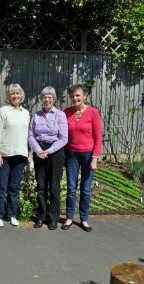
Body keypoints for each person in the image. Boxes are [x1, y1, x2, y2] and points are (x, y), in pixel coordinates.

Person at [62, 84, 102, 232]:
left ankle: (84, 219)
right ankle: (69, 218)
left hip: (88, 155)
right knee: (71, 188)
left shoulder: (93, 112)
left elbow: (98, 137)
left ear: (84, 96)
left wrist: (94, 158)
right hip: (71, 154)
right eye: (72, 96)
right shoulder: (66, 112)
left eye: (78, 95)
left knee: (85, 189)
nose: (75, 98)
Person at [28, 86, 68, 230]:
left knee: (54, 188)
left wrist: (48, 151)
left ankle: (53, 218)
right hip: (39, 152)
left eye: (50, 97)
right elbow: (31, 135)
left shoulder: (60, 115)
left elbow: (64, 138)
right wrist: (39, 150)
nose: (47, 99)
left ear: (54, 99)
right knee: (41, 187)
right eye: (44, 97)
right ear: (41, 99)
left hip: (55, 153)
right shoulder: (36, 115)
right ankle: (41, 216)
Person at [0, 84, 30, 228]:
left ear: (21, 95)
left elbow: (26, 134)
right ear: (8, 96)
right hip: (5, 155)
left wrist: (27, 155)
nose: (15, 96)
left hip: (20, 155)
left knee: (14, 187)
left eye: (17, 93)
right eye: (12, 94)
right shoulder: (3, 111)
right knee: (1, 187)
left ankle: (12, 215)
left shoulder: (26, 112)